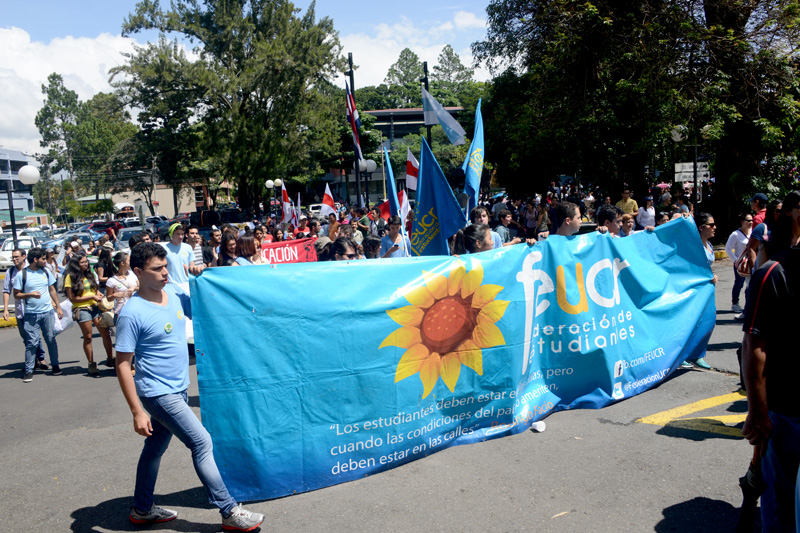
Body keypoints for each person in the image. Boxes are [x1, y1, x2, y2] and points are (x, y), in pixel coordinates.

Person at [114, 243, 264, 530]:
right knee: (201, 442)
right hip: (157, 393)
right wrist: (137, 411)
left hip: (179, 388)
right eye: (156, 269)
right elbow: (122, 364)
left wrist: (199, 276)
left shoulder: (172, 293)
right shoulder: (132, 313)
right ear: (137, 272)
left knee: (155, 447)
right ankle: (229, 510)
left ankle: (142, 509)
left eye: (166, 267)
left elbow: (205, 306)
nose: (165, 273)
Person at [741, 196, 800, 530]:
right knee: (781, 501)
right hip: (788, 414)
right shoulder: (774, 273)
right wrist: (759, 412)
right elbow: (755, 345)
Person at [12, 247, 63, 381]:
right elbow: (16, 294)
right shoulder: (22, 275)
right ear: (35, 259)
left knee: (50, 339)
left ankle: (55, 365)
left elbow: (52, 289)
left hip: (48, 313)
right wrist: (30, 294)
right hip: (31, 315)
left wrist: (58, 307)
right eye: (43, 259)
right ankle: (29, 370)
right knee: (32, 343)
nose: (46, 261)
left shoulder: (46, 272)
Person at [64, 254, 115, 375]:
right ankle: (91, 363)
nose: (85, 264)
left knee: (106, 333)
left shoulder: (90, 273)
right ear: (76, 264)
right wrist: (91, 296)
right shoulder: (70, 277)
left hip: (96, 307)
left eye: (86, 262)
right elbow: (72, 298)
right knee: (88, 337)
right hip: (82, 309)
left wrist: (97, 293)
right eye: (82, 262)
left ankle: (110, 359)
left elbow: (94, 288)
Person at [680, 213, 716, 370]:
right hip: (694, 291)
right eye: (711, 225)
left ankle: (698, 354)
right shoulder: (693, 246)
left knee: (707, 322)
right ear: (701, 228)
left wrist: (712, 275)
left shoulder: (709, 245)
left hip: (707, 290)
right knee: (690, 324)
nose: (715, 228)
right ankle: (682, 357)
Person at [3, 248, 48, 371]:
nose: (14, 259)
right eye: (13, 257)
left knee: (34, 336)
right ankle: (34, 359)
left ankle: (39, 358)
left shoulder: (32, 269)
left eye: (16, 256)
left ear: (24, 256)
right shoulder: (10, 272)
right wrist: (6, 309)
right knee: (26, 337)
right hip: (20, 310)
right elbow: (7, 291)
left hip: (34, 308)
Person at [725, 213, 753, 313]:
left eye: (751, 220)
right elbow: (728, 248)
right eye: (748, 220)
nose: (750, 222)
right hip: (740, 264)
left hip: (750, 263)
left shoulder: (753, 232)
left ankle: (748, 305)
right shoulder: (736, 234)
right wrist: (736, 261)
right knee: (739, 284)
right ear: (742, 222)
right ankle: (735, 303)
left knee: (750, 285)